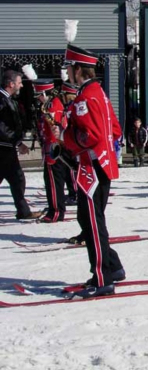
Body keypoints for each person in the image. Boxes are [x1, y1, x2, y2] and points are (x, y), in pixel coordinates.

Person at [61, 43, 125, 297]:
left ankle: (103, 276)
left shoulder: (85, 97)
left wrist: (67, 137)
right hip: (103, 164)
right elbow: (116, 131)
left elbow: (91, 135)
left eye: (70, 69)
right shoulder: (99, 93)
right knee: (91, 219)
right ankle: (112, 266)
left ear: (78, 70)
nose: (68, 74)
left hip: (92, 166)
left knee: (90, 221)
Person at [0, 70, 37, 220]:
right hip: (2, 148)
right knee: (17, 178)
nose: (21, 86)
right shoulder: (1, 100)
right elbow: (1, 127)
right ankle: (23, 211)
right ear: (11, 84)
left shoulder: (7, 98)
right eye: (19, 82)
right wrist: (17, 141)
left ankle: (23, 211)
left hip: (7, 148)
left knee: (18, 179)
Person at [34, 80, 69, 223]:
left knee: (54, 183)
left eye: (39, 95)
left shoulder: (53, 106)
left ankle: (56, 211)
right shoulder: (50, 105)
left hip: (54, 149)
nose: (38, 99)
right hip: (51, 147)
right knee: (51, 181)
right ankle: (54, 208)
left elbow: (54, 128)